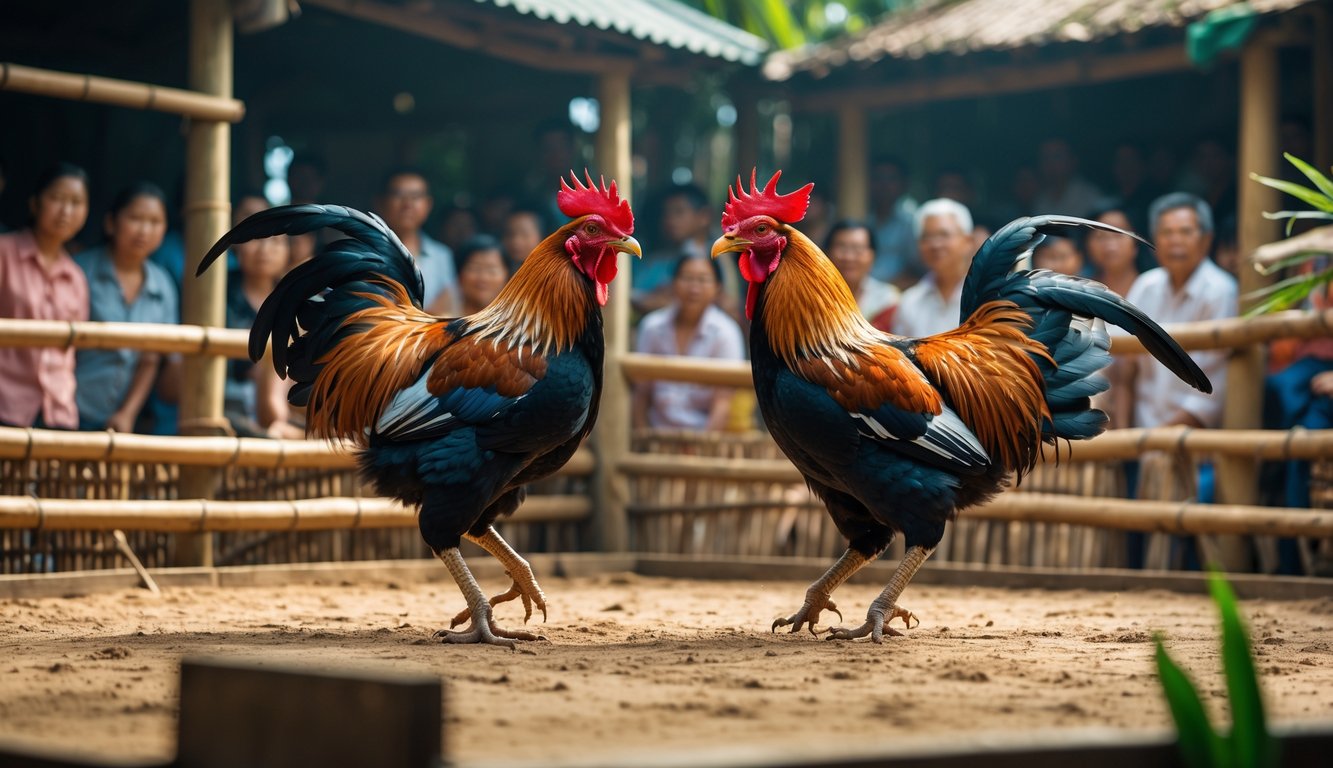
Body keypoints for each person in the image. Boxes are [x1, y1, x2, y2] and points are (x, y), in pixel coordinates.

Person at [1116, 192, 1236, 569]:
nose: (1175, 240)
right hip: (1141, 433)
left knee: (1189, 546)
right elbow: (1125, 371)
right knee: (1135, 539)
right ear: (1154, 241)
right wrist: (1124, 436)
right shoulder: (1146, 287)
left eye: (1185, 231)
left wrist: (1155, 438)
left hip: (1196, 441)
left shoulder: (1221, 290)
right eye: (1166, 232)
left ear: (1206, 239)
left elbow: (1213, 386)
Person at [73, 182, 178, 432]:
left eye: (155, 222)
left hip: (119, 419)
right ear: (111, 223)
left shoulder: (163, 285)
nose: (144, 230)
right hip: (66, 409)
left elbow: (150, 360)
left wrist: (127, 414)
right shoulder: (79, 271)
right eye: (135, 218)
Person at [0, 162, 90, 429]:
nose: (66, 211)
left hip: (57, 411)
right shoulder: (4, 254)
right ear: (35, 204)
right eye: (57, 199)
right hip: (5, 404)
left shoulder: (75, 276)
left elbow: (73, 353)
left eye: (76, 202)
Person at [633, 255, 745, 432]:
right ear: (673, 283)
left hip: (704, 441)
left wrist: (702, 450)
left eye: (703, 280)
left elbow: (723, 404)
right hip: (654, 435)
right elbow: (641, 395)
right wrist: (644, 439)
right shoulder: (651, 327)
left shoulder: (726, 333)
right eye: (687, 278)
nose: (694, 288)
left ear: (717, 287)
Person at [224, 194, 290, 436]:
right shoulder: (218, 296)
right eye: (255, 239)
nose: (265, 250)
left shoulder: (297, 299)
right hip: (227, 408)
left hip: (285, 406)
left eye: (276, 242)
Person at [378, 168, 457, 316]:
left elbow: (450, 311)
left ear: (428, 205)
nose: (407, 204)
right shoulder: (362, 251)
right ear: (381, 203)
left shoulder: (441, 255)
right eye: (398, 194)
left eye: (416, 196)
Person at [892, 198, 974, 338]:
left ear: (967, 241)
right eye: (927, 237)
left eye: (944, 235)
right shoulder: (909, 302)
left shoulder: (988, 298)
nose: (935, 244)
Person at [634, 183, 713, 316]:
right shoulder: (656, 261)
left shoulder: (715, 259)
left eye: (679, 212)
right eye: (666, 213)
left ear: (703, 216)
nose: (669, 219)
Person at [825, 220, 898, 332]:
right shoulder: (812, 297)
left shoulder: (887, 299)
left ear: (872, 255)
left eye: (857, 249)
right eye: (841, 247)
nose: (849, 257)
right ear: (826, 253)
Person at [866, 155, 919, 287]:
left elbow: (915, 266)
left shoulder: (911, 220)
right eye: (878, 178)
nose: (884, 185)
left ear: (904, 184)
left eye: (891, 179)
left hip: (899, 292)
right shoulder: (864, 218)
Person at [1033, 138, 1105, 217]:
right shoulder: (1040, 199)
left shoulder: (1092, 197)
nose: (1050, 163)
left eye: (1057, 157)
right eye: (1045, 158)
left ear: (1073, 160)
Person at [1085, 206, 1143, 299]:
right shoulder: (1082, 293)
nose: (1110, 245)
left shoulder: (1153, 290)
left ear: (1137, 241)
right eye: (1101, 236)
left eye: (1118, 235)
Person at [454, 234, 509, 316]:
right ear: (460, 274)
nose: (483, 278)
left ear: (506, 275)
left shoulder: (519, 322)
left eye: (492, 271)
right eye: (475, 268)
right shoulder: (441, 320)